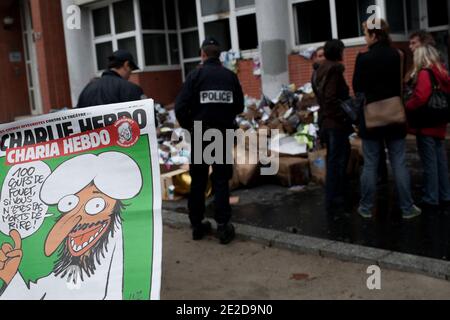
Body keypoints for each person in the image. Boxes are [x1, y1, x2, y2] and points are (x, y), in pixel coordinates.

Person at [175, 37, 244, 245]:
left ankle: (197, 225)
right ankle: (223, 226)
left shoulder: (195, 76)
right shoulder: (230, 77)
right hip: (222, 134)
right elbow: (239, 106)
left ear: (202, 54)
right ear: (219, 55)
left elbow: (180, 108)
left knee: (199, 180)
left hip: (201, 134)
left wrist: (191, 127)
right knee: (221, 180)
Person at [353, 19, 421, 220]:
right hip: (395, 116)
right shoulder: (398, 55)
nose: (364, 37)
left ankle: (365, 207)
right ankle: (407, 208)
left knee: (371, 164)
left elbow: (357, 87)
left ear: (374, 35)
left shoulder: (363, 58)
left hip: (371, 118)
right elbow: (401, 85)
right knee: (399, 162)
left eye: (365, 33)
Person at [406, 45, 450, 211]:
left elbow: (421, 97)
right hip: (440, 122)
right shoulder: (443, 72)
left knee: (430, 163)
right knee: (441, 162)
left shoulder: (425, 73)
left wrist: (408, 105)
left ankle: (431, 197)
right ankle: (445, 194)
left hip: (426, 124)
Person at [315, 40, 353, 215]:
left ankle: (334, 196)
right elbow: (330, 98)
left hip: (326, 121)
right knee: (337, 160)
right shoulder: (334, 70)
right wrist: (343, 116)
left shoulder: (319, 70)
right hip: (335, 123)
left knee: (334, 158)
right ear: (338, 52)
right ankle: (336, 198)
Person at [77, 50, 145, 108]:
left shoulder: (87, 89)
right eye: (131, 69)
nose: (130, 73)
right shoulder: (131, 89)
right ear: (126, 65)